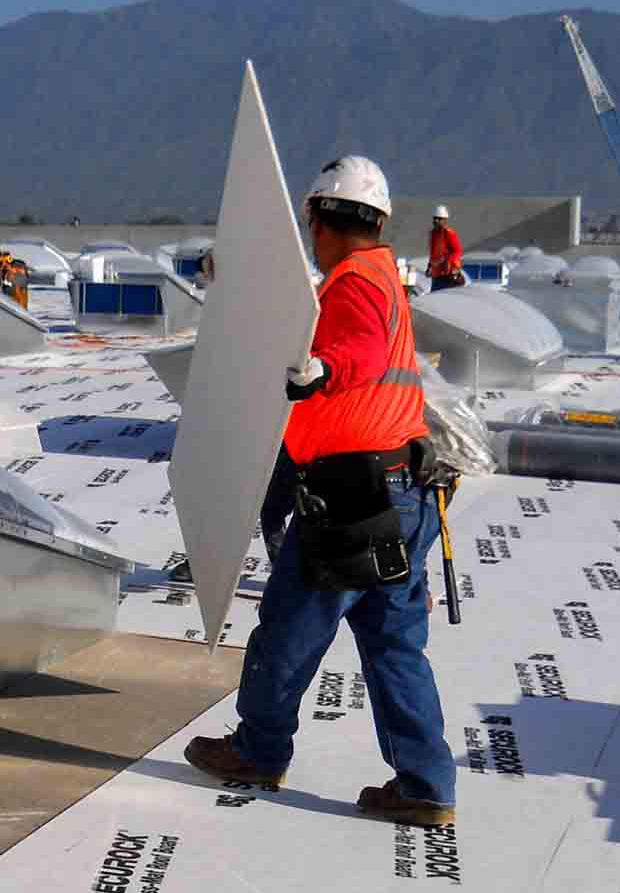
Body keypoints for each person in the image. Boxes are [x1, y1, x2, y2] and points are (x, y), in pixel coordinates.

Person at [184, 155, 455, 826]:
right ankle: (426, 784)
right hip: (404, 489)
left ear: (320, 221)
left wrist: (323, 369)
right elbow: (312, 318)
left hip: (353, 498)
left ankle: (259, 749)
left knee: (287, 631)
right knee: (394, 645)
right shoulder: (378, 274)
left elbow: (356, 347)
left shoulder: (355, 284)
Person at [426, 204, 464, 291]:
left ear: (445, 220)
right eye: (435, 218)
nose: (436, 220)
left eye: (439, 218)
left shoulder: (449, 233)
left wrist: (449, 261)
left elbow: (457, 251)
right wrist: (429, 266)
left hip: (447, 274)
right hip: (436, 274)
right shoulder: (433, 234)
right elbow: (433, 253)